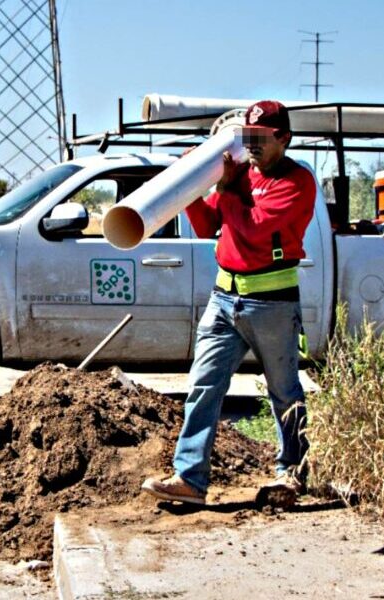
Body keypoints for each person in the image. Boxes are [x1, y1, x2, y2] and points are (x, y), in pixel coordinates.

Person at [141, 100, 316, 505]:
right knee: (203, 385)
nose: (252, 145)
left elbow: (253, 229)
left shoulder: (296, 182)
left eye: (261, 138)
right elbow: (209, 226)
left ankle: (292, 475)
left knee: (284, 392)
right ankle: (189, 479)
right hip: (225, 297)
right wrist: (188, 187)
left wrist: (226, 187)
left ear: (284, 138)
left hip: (271, 302)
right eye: (248, 137)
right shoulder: (241, 176)